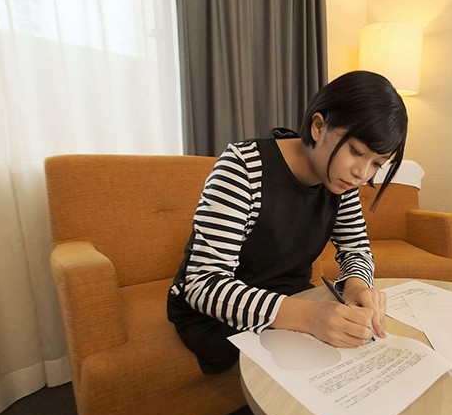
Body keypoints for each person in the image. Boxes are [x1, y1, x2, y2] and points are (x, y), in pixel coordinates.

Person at [167, 70, 408, 374]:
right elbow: (203, 284)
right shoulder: (243, 166)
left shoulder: (341, 182)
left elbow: (356, 249)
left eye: (377, 164)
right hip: (218, 313)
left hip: (292, 298)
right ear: (318, 126)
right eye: (356, 152)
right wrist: (310, 317)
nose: (362, 173)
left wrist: (357, 285)